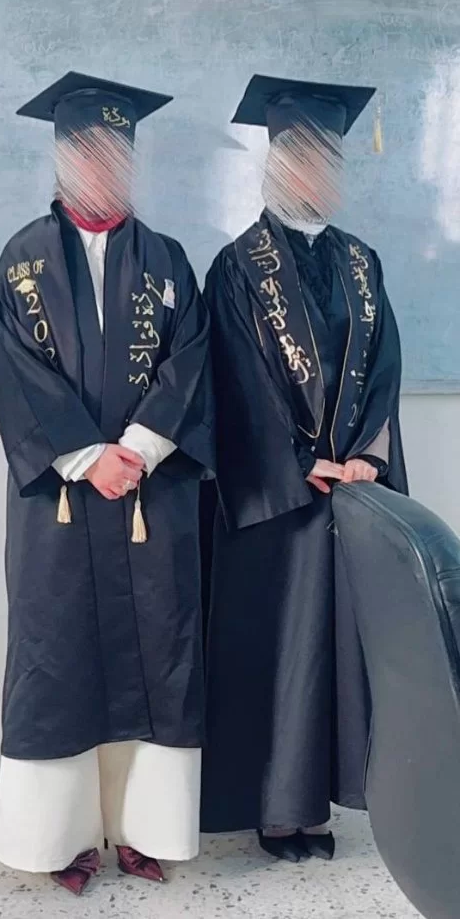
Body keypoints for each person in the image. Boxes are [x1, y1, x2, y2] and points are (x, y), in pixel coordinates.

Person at [0, 71, 214, 895]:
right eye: (87, 149)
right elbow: (18, 373)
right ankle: (67, 839)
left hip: (153, 494)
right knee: (60, 657)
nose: (102, 163)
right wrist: (89, 456)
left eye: (117, 150)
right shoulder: (24, 261)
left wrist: (141, 450)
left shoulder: (168, 261)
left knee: (160, 652)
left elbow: (191, 364)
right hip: (63, 500)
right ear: (61, 157)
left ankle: (145, 833)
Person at [200, 75, 408, 862]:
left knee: (336, 651)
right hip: (277, 503)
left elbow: (384, 371)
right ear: (276, 168)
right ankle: (274, 812)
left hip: (346, 496)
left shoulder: (362, 263)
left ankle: (318, 810)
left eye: (329, 160)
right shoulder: (237, 268)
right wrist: (299, 462)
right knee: (281, 651)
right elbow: (234, 384)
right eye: (304, 159)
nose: (319, 173)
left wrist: (367, 459)